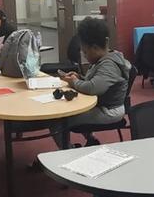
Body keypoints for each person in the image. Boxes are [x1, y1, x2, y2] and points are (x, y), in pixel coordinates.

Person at [56, 18, 131, 147]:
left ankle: (68, 150)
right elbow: (94, 80)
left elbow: (93, 88)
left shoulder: (109, 65)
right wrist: (79, 77)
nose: (84, 55)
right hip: (102, 106)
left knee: (58, 121)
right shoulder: (103, 58)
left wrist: (74, 82)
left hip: (109, 111)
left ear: (95, 48)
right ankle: (91, 140)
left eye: (85, 52)